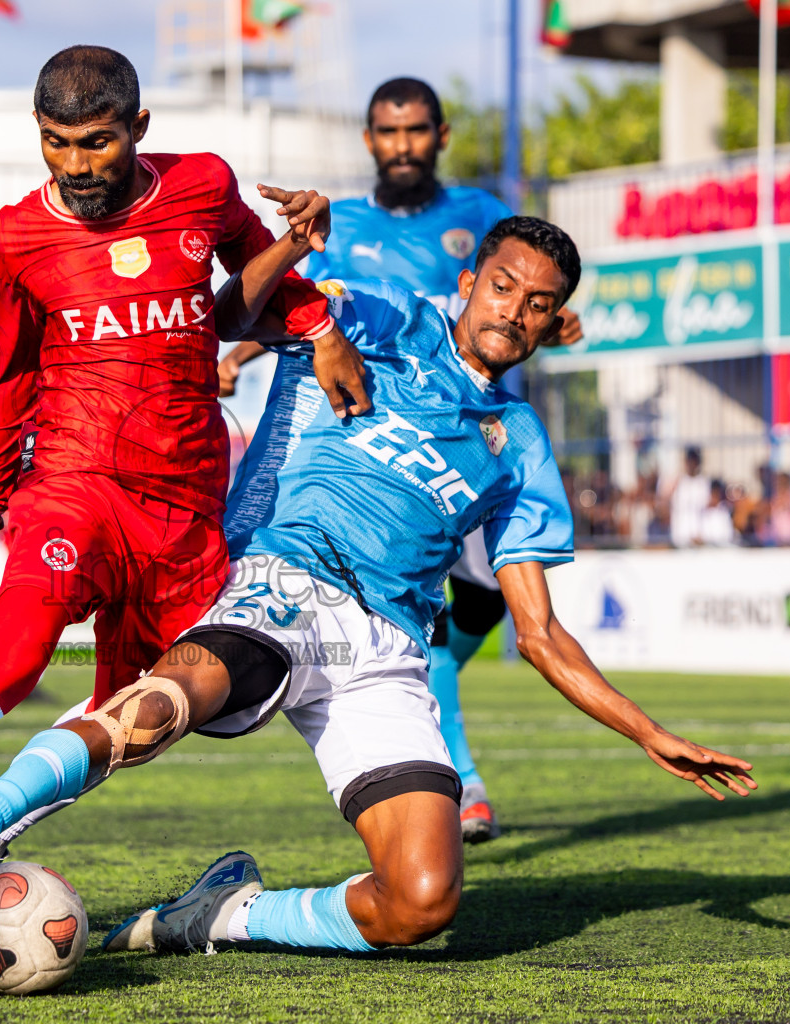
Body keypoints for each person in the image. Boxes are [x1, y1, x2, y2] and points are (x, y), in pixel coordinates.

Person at [0, 216, 757, 957]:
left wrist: (648, 732)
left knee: (423, 900)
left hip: (384, 652)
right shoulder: (389, 321)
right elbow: (236, 312)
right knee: (166, 702)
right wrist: (292, 255)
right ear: (469, 282)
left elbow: (538, 632)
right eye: (501, 288)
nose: (513, 313)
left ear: (553, 318)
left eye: (537, 304)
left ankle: (223, 914)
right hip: (285, 577)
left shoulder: (521, 443)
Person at [0, 44, 370, 951]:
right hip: (75, 485)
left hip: (184, 507)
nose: (76, 164)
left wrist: (317, 318)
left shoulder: (203, 186)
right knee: (13, 655)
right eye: (57, 143)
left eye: (96, 143)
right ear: (40, 135)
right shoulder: (13, 238)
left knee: (137, 712)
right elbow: (11, 375)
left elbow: (250, 287)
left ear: (138, 129)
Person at [217, 78, 581, 843]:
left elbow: (529, 278)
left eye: (415, 130)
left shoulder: (480, 216)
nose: (402, 145)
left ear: (439, 135)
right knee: (424, 614)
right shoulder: (342, 223)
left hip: (467, 438)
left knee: (479, 611)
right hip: (366, 435)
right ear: (369, 141)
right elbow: (315, 302)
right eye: (387, 132)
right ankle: (464, 779)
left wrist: (551, 314)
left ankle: (439, 739)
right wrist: (247, 354)